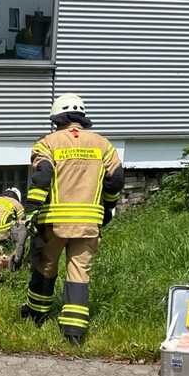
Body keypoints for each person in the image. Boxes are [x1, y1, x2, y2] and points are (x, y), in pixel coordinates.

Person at [20, 93, 124, 345]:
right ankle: (74, 333)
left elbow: (43, 175)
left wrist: (32, 210)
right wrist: (108, 208)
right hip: (89, 223)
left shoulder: (47, 143)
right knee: (79, 272)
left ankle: (37, 316)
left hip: (55, 223)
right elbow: (117, 178)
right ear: (82, 118)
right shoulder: (103, 145)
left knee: (45, 267)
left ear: (56, 119)